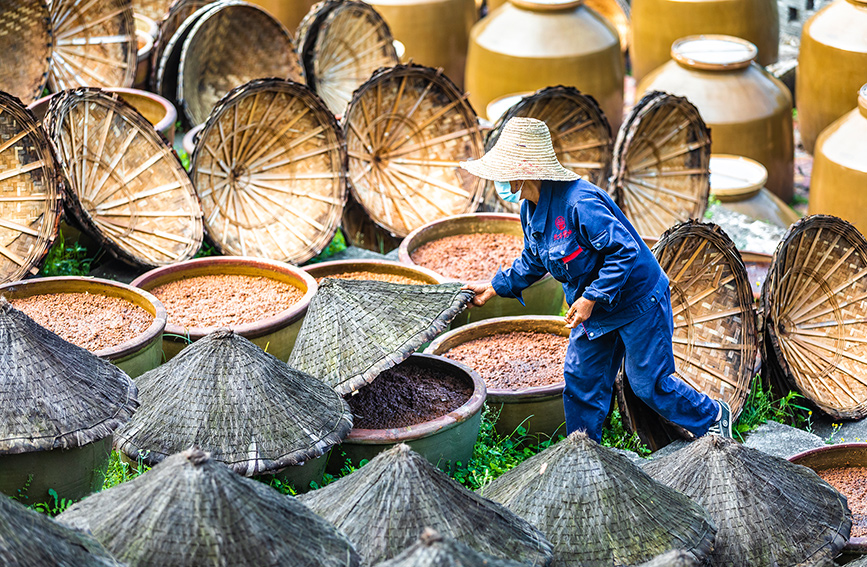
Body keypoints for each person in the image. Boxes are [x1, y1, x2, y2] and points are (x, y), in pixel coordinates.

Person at [460, 117, 731, 443]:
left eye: (503, 172)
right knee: (581, 379)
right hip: (594, 307)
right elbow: (533, 259)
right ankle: (584, 451)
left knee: (649, 383)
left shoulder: (579, 202)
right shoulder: (529, 210)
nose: (498, 181)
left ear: (524, 173)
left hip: (636, 299)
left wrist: (590, 298)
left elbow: (624, 252)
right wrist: (493, 287)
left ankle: (713, 416)